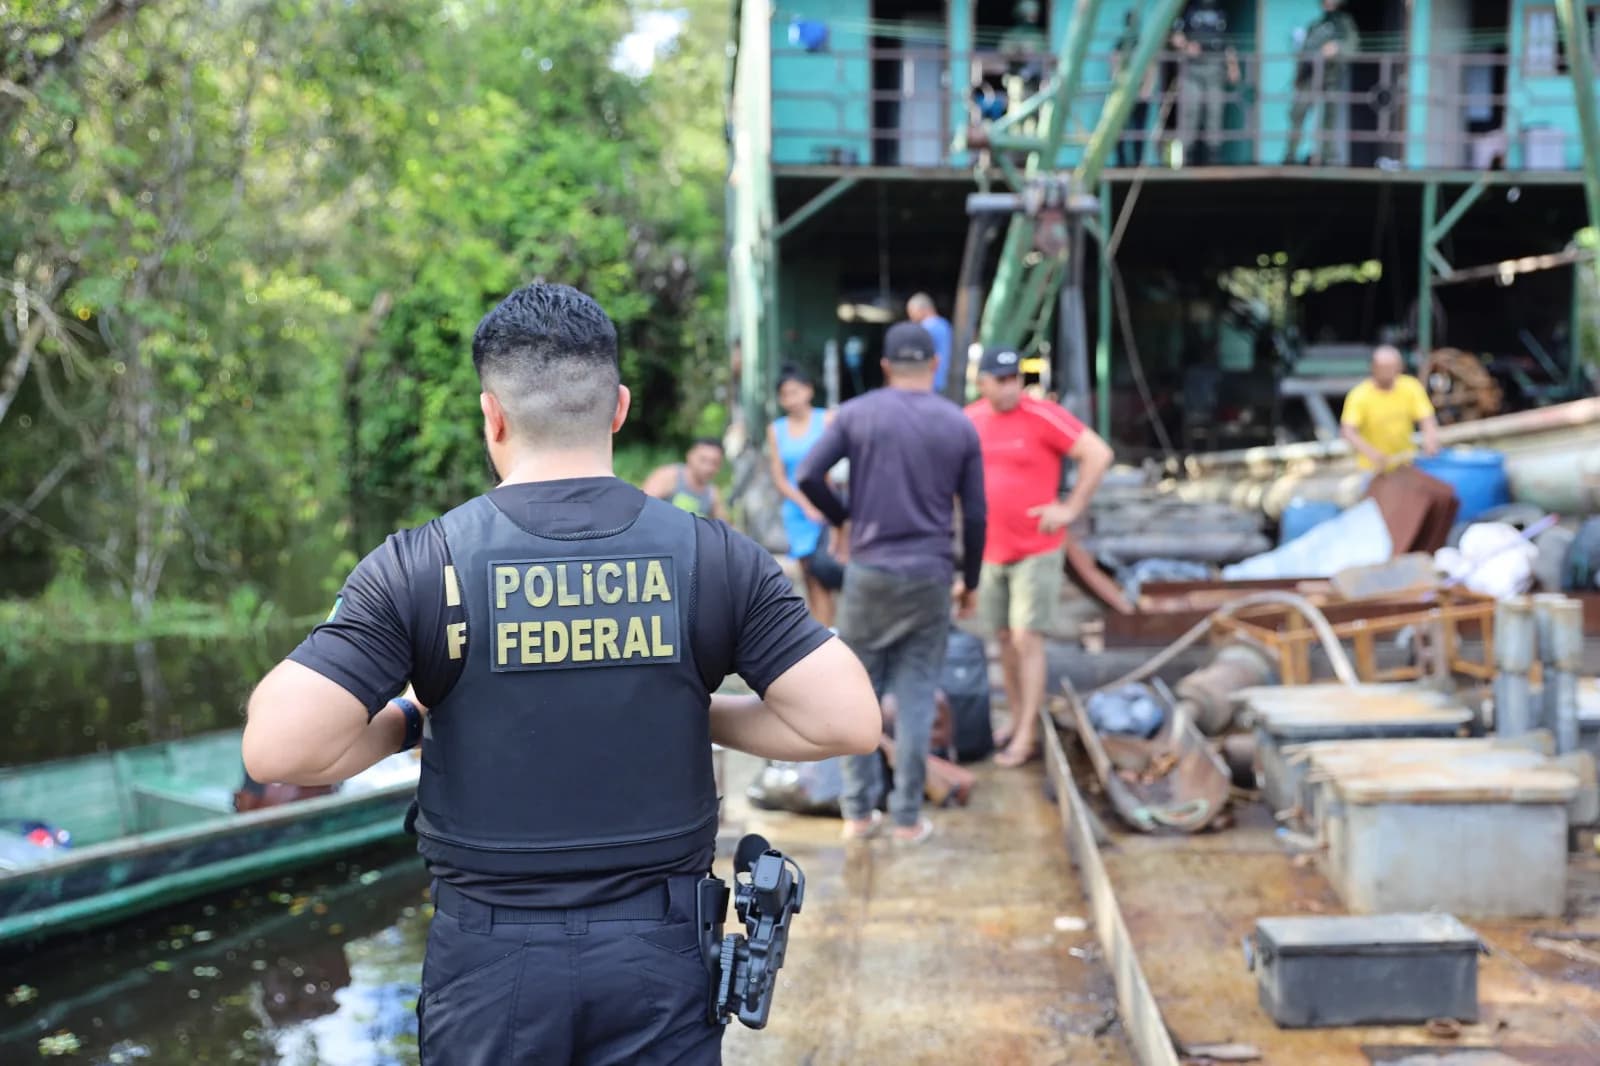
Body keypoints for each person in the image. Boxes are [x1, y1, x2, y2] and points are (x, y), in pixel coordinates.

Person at [241, 282, 880, 1065]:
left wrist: (412, 717)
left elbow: (279, 749)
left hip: (489, 964)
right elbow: (847, 721)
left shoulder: (422, 565)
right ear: (618, 408)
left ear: (492, 416)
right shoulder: (713, 557)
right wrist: (691, 703)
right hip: (660, 962)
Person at [796, 321, 987, 845]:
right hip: (930, 574)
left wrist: (844, 518)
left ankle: (858, 813)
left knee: (858, 692)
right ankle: (906, 819)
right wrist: (970, 580)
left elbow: (809, 474)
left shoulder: (858, 414)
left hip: (870, 572)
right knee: (917, 694)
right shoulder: (958, 424)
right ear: (935, 365)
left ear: (884, 366)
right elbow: (975, 513)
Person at [965, 347, 1113, 768]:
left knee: (1027, 637)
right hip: (991, 551)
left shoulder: (1042, 414)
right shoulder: (970, 420)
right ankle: (1016, 718)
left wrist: (1069, 508)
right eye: (1001, 379)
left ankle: (1027, 733)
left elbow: (1098, 454)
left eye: (1014, 378)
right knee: (1004, 639)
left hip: (1036, 548)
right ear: (983, 383)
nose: (1010, 386)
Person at [766, 365, 840, 626]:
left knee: (827, 572)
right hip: (797, 512)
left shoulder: (827, 420)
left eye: (795, 392)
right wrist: (806, 504)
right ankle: (824, 631)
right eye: (785, 395)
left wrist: (825, 504)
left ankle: (828, 631)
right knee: (810, 577)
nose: (791, 399)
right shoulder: (777, 429)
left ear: (808, 391)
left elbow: (835, 467)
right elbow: (780, 477)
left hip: (826, 507)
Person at [1340, 345, 1440, 471]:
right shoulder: (1359, 395)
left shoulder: (1411, 387)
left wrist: (1430, 439)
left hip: (1405, 463)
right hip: (1372, 468)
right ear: (1373, 367)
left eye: (1391, 367)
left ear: (1400, 367)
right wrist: (1371, 453)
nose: (1387, 372)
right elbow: (1348, 431)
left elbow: (1427, 418)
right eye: (1383, 368)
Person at [1286, 0, 1359, 165]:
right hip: (1310, 76)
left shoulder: (1344, 23)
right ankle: (1291, 153)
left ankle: (1328, 155)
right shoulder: (1316, 25)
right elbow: (1305, 50)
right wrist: (1299, 75)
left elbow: (1352, 46)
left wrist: (1337, 48)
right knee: (1298, 111)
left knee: (1329, 116)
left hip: (1331, 76)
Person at [1170, 0, 1240, 167]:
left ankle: (1213, 157)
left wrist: (1233, 67)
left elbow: (1228, 44)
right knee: (1190, 110)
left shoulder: (1221, 12)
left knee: (1214, 110)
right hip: (1192, 68)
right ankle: (1187, 157)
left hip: (1215, 67)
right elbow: (1174, 37)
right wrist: (1187, 46)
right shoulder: (1188, 10)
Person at [1112, 9, 1158, 168]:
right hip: (1123, 95)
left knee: (1139, 131)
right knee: (1119, 130)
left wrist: (1146, 90)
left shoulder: (1143, 44)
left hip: (1141, 94)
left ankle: (1138, 164)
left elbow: (1151, 68)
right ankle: (1121, 164)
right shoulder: (1120, 44)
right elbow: (1115, 69)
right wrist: (1121, 91)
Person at [643, 438, 728, 519]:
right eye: (703, 460)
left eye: (714, 463)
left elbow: (725, 525)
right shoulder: (668, 477)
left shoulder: (712, 493)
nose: (708, 468)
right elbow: (642, 507)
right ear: (690, 455)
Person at [906, 292, 954, 396]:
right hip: (945, 381)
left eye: (911, 312)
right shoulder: (945, 325)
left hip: (929, 383)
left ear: (921, 309)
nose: (910, 317)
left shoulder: (925, 328)